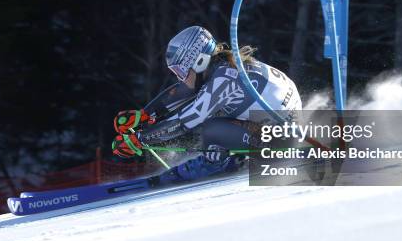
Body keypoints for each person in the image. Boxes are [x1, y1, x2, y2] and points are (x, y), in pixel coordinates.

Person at [112, 26, 302, 182]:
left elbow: (185, 120)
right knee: (217, 118)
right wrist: (145, 115)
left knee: (212, 126)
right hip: (282, 129)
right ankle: (234, 160)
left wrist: (139, 139)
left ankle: (216, 167)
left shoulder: (223, 78)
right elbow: (186, 91)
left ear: (199, 61)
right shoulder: (224, 67)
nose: (180, 77)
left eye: (181, 70)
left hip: (279, 141)